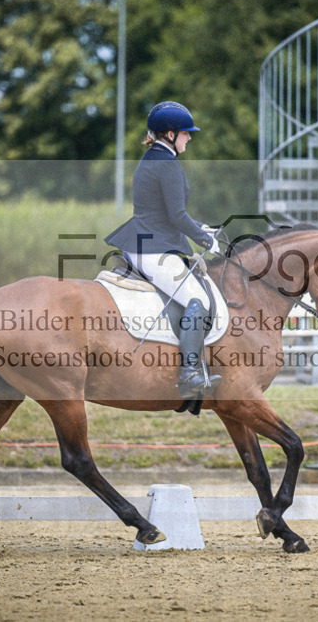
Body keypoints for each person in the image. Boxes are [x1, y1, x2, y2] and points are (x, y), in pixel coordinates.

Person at [104, 101, 221, 411]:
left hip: (146, 239)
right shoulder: (166, 164)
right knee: (200, 301)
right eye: (186, 133)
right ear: (170, 134)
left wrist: (200, 228)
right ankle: (190, 374)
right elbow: (177, 214)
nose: (189, 138)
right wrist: (204, 239)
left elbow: (166, 213)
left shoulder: (153, 158)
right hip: (153, 247)